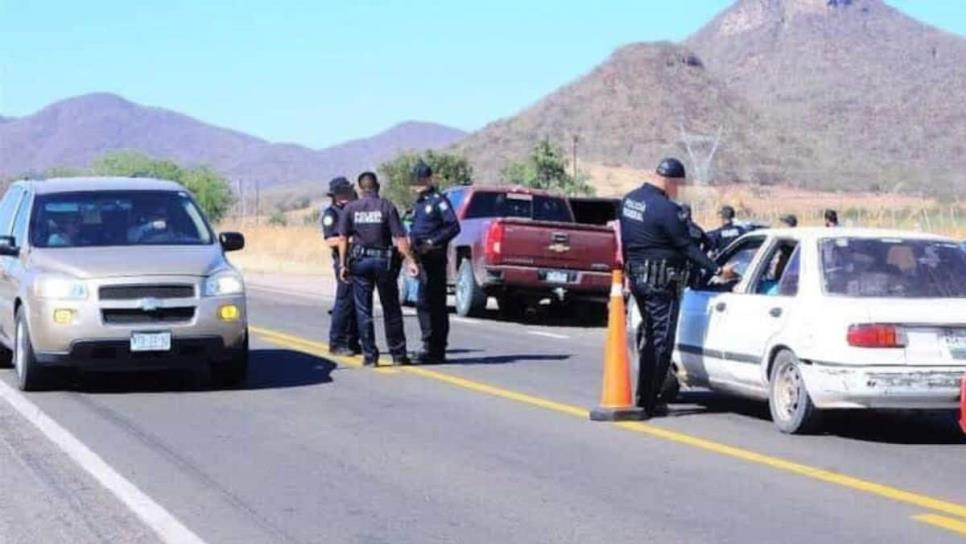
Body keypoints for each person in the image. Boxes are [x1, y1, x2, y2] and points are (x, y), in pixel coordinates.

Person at [620, 158, 724, 417]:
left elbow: (625, 239)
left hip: (638, 280)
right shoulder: (666, 209)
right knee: (661, 343)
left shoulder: (630, 200)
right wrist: (717, 269)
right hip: (661, 284)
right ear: (671, 180)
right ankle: (648, 402)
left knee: (650, 339)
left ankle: (644, 396)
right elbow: (687, 247)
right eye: (679, 185)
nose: (679, 191)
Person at [337, 172, 418, 366]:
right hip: (384, 262)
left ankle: (370, 356)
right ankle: (398, 355)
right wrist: (410, 260)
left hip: (360, 262)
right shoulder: (386, 206)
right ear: (377, 186)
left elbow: (342, 239)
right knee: (391, 308)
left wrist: (342, 264)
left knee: (364, 310)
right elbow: (400, 238)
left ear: (360, 188)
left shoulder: (351, 208)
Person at [408, 161, 461, 365]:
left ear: (429, 180)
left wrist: (432, 242)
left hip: (434, 259)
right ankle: (429, 345)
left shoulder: (438, 201)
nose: (418, 184)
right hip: (421, 260)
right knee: (423, 303)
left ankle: (435, 348)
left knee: (433, 304)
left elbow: (453, 227)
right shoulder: (419, 203)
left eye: (422, 180)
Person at [321, 176, 361, 356]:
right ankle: (337, 342)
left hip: (359, 260)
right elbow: (330, 240)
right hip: (343, 261)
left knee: (355, 303)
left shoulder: (353, 210)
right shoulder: (332, 214)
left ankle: (352, 340)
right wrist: (351, 240)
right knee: (343, 302)